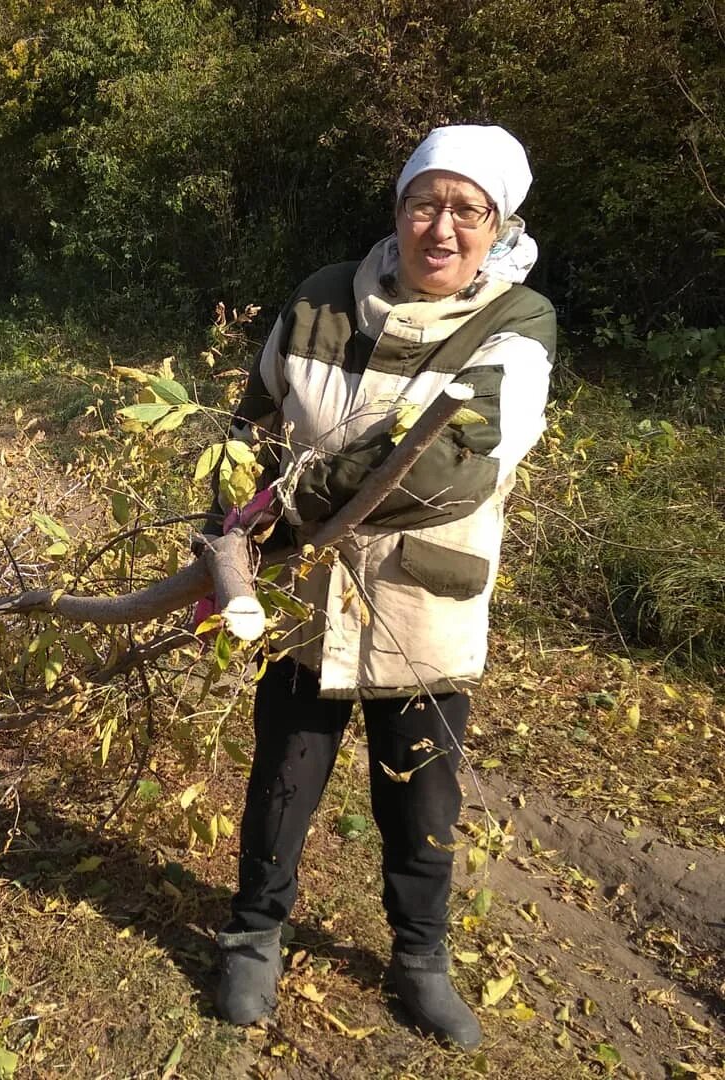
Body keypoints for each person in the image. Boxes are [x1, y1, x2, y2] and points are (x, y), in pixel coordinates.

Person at [210, 124, 556, 1050]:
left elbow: (452, 464)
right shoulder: (323, 298)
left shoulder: (516, 325)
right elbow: (247, 425)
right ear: (398, 209)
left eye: (466, 210)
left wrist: (292, 499)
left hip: (421, 604)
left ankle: (420, 960)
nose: (440, 228)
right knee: (283, 776)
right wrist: (232, 520)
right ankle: (253, 934)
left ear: (499, 224)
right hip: (300, 597)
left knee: (421, 797)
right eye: (423, 202)